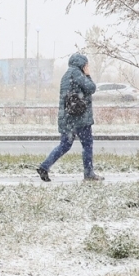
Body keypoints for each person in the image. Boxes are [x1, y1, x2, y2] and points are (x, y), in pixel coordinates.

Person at [37, 52, 103, 182]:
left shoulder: (66, 75)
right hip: (80, 119)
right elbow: (91, 88)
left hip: (67, 119)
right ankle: (89, 174)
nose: (87, 66)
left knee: (64, 145)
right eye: (87, 65)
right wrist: (88, 74)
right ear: (83, 64)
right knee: (87, 145)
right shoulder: (78, 74)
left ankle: (44, 166)